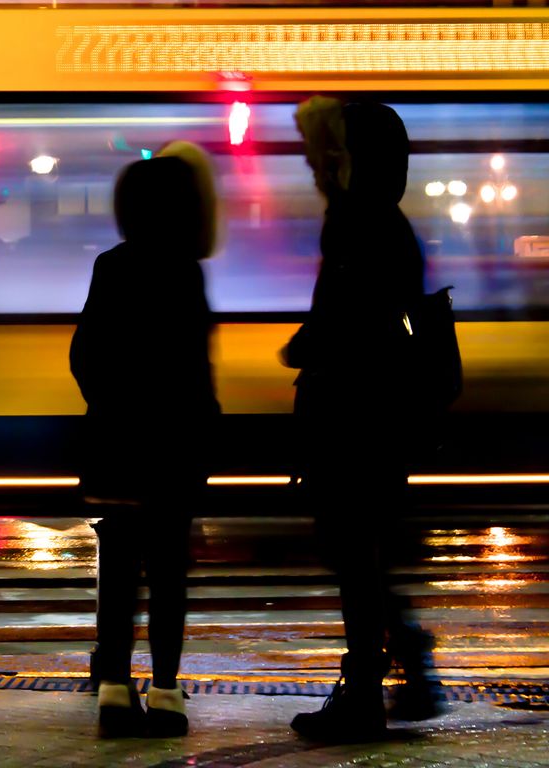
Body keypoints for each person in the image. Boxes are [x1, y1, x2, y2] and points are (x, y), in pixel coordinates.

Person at [283, 97, 444, 743]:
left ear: (357, 159)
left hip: (353, 414)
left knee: (351, 551)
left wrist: (302, 347)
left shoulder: (356, 220)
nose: (322, 164)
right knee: (364, 549)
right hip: (384, 412)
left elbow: (343, 316)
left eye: (337, 151)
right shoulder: (389, 219)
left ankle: (366, 694)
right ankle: (402, 661)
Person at [69, 143, 220, 739]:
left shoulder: (110, 266)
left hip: (116, 445)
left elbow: (84, 353)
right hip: (173, 449)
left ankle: (113, 689)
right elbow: (197, 367)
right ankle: (165, 692)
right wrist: (203, 431)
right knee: (168, 573)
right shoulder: (186, 270)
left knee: (118, 572)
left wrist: (108, 407)